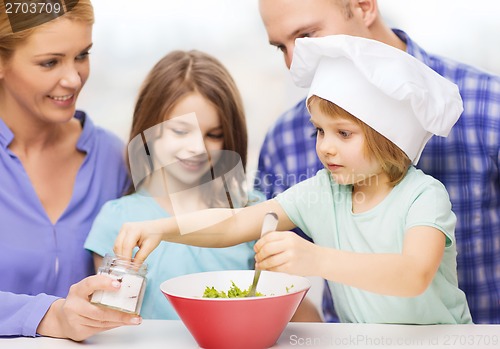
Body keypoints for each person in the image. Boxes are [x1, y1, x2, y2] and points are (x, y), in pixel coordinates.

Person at [114, 35, 473, 324]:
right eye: (319, 131)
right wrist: (163, 227)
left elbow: (413, 275)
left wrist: (316, 259)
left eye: (344, 134)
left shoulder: (424, 196)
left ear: (388, 137)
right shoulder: (323, 191)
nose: (326, 148)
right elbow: (233, 224)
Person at [254, 0, 500, 324]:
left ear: (364, 7)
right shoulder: (284, 140)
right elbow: (269, 270)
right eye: (280, 48)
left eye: (306, 36)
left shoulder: (489, 107)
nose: (293, 63)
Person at [84, 50, 268, 319]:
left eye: (214, 135)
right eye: (180, 131)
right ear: (149, 129)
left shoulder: (253, 212)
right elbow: (108, 320)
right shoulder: (116, 220)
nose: (197, 148)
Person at [0, 0, 141, 340]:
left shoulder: (114, 158)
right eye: (50, 62)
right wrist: (49, 316)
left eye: (82, 55)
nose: (74, 79)